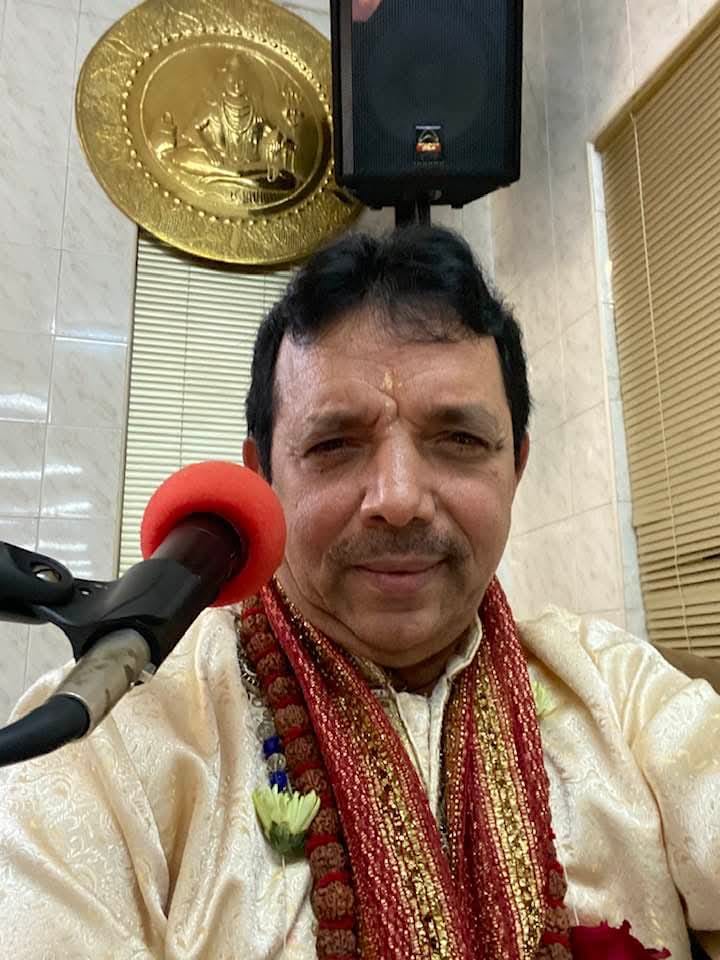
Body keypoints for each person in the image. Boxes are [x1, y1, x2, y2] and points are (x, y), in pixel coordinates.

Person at [0, 227, 718, 960]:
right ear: (262, 480)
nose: (399, 499)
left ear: (516, 467)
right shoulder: (110, 740)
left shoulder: (617, 690)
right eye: (334, 445)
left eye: (460, 440)